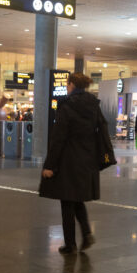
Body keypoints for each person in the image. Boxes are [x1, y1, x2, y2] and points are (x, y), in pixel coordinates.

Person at [40, 73, 101, 254]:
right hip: (87, 159)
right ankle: (87, 233)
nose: (66, 87)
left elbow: (58, 138)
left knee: (67, 201)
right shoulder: (94, 106)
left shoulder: (67, 106)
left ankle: (70, 244)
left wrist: (49, 165)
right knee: (77, 199)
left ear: (72, 84)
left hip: (68, 160)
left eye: (67, 85)